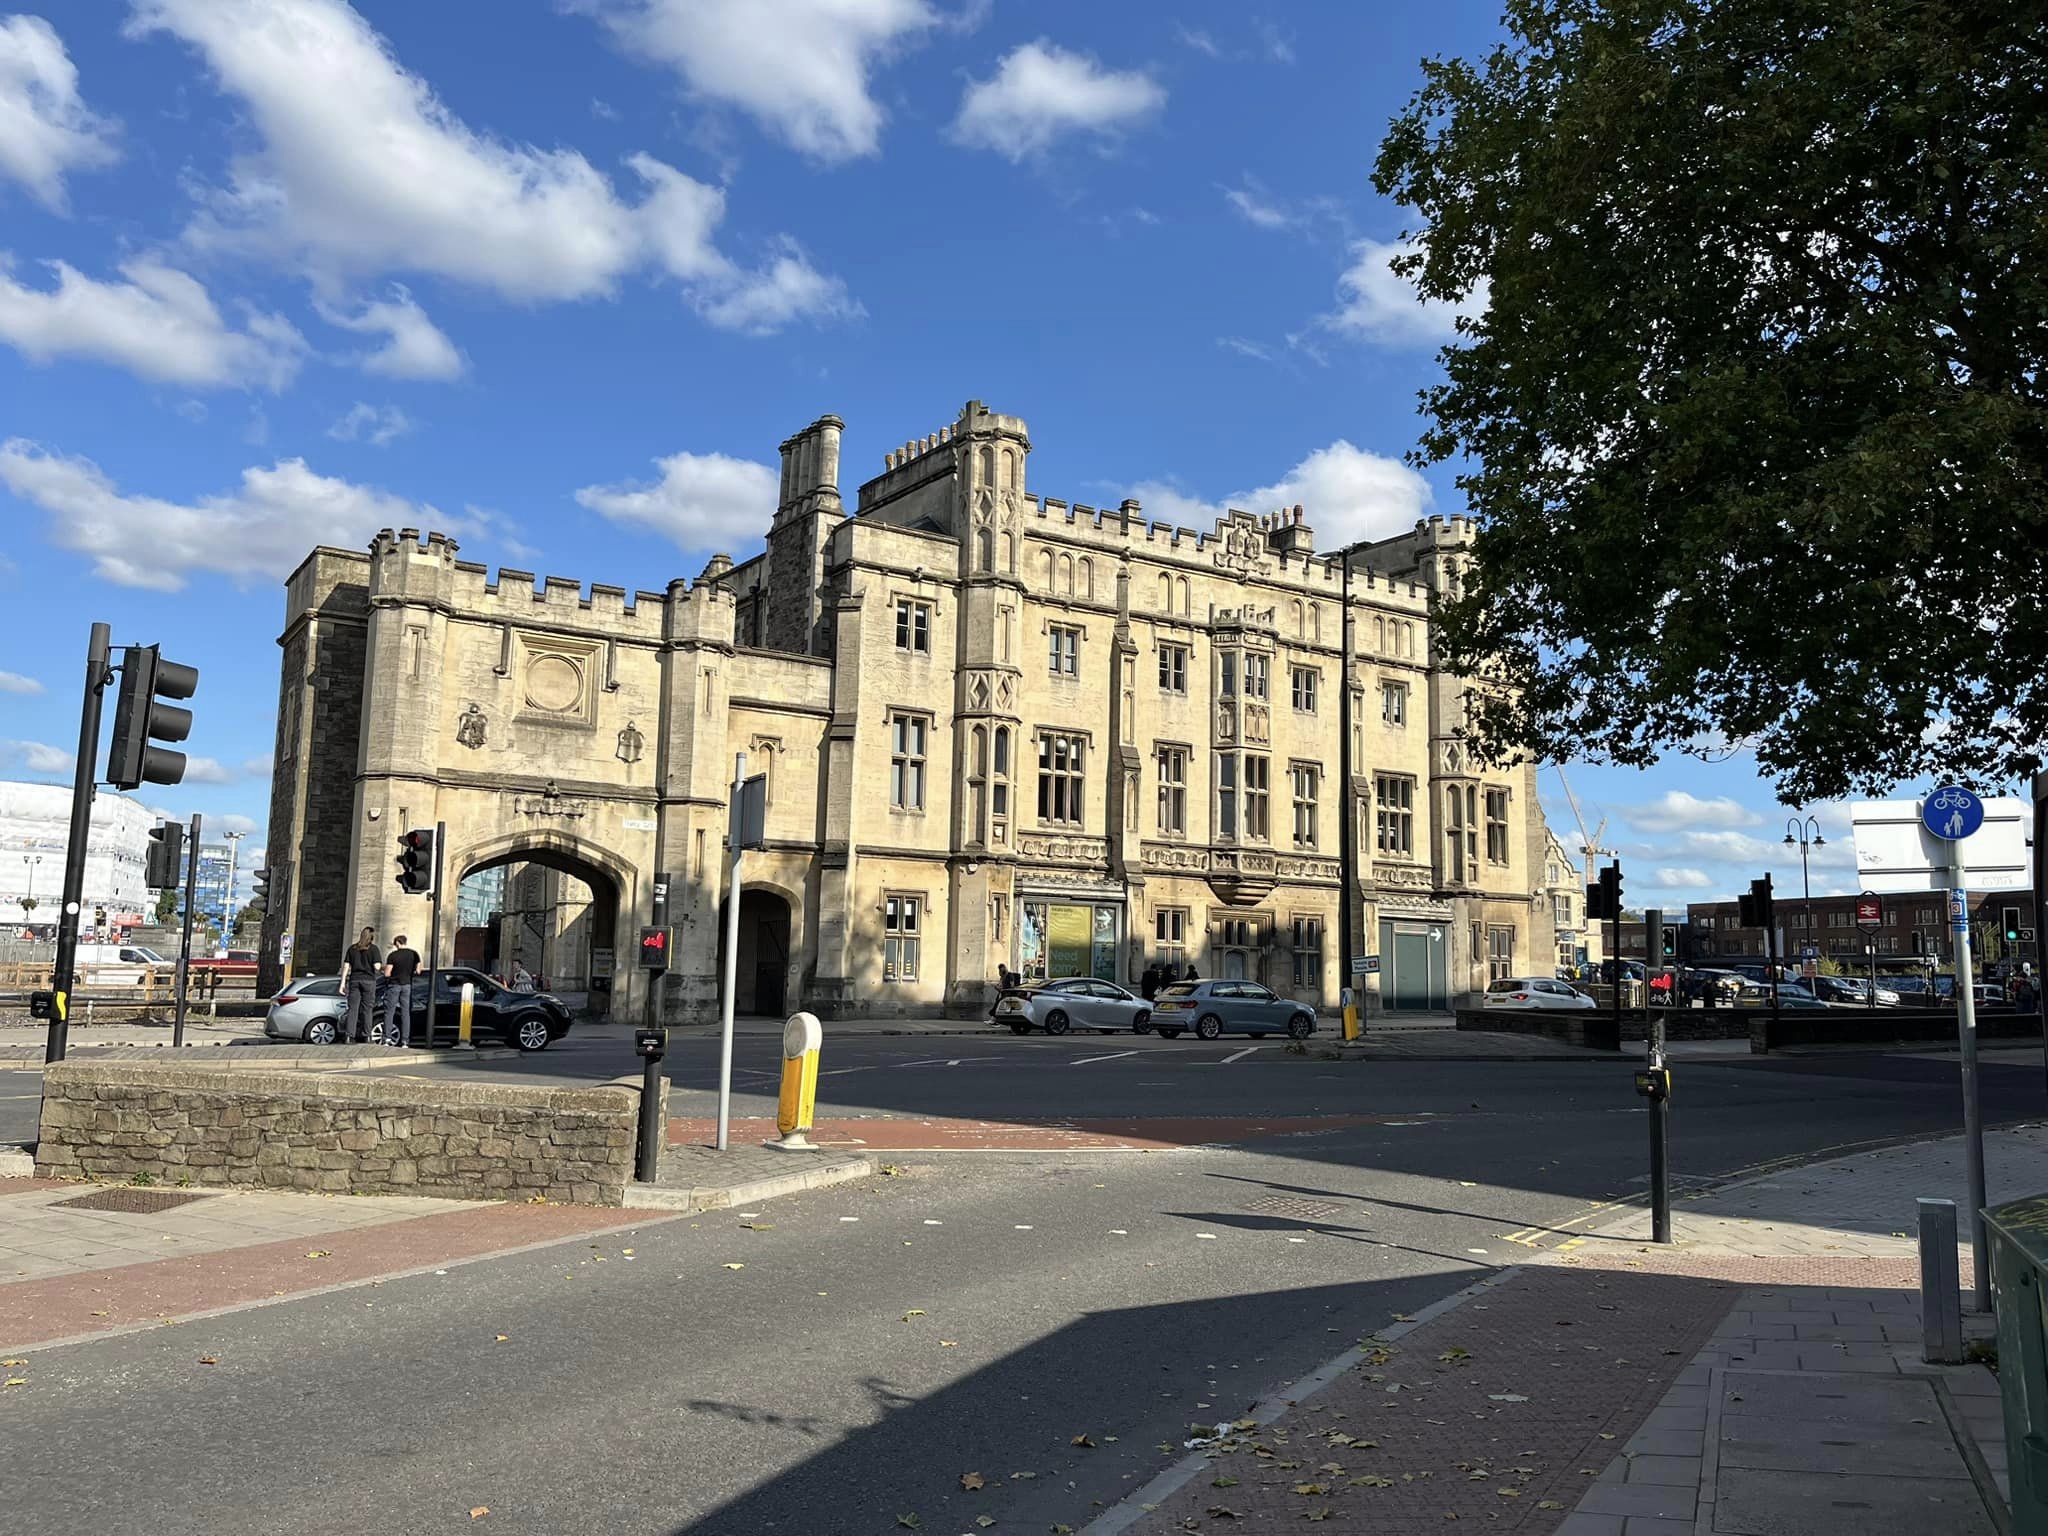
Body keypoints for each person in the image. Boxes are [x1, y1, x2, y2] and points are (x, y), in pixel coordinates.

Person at [382, 934, 422, 1048]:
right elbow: (418, 971)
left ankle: (387, 1038)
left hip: (394, 985)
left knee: (389, 1011)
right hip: (407, 985)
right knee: (405, 1013)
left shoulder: (393, 955)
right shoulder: (414, 954)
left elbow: (387, 973)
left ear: (398, 943)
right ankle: (405, 1041)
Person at [341, 926, 379, 1042]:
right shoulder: (373, 949)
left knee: (353, 1009)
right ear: (371, 937)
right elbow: (377, 966)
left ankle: (349, 1036)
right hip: (368, 980)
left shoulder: (352, 949)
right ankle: (367, 1036)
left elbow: (346, 966)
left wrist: (342, 983)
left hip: (354, 980)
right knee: (368, 1009)